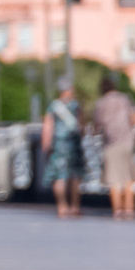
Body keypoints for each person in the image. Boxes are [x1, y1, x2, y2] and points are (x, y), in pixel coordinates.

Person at [93, 79, 135, 220]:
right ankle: (129, 208)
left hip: (111, 143)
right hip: (128, 140)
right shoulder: (125, 99)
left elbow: (97, 125)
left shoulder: (101, 103)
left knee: (114, 179)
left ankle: (118, 210)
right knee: (128, 177)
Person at [41, 79, 85, 219]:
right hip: (74, 144)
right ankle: (75, 206)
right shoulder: (75, 105)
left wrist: (46, 145)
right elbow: (81, 126)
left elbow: (48, 127)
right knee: (75, 176)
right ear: (70, 89)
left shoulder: (53, 106)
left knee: (59, 176)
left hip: (58, 145)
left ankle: (62, 206)